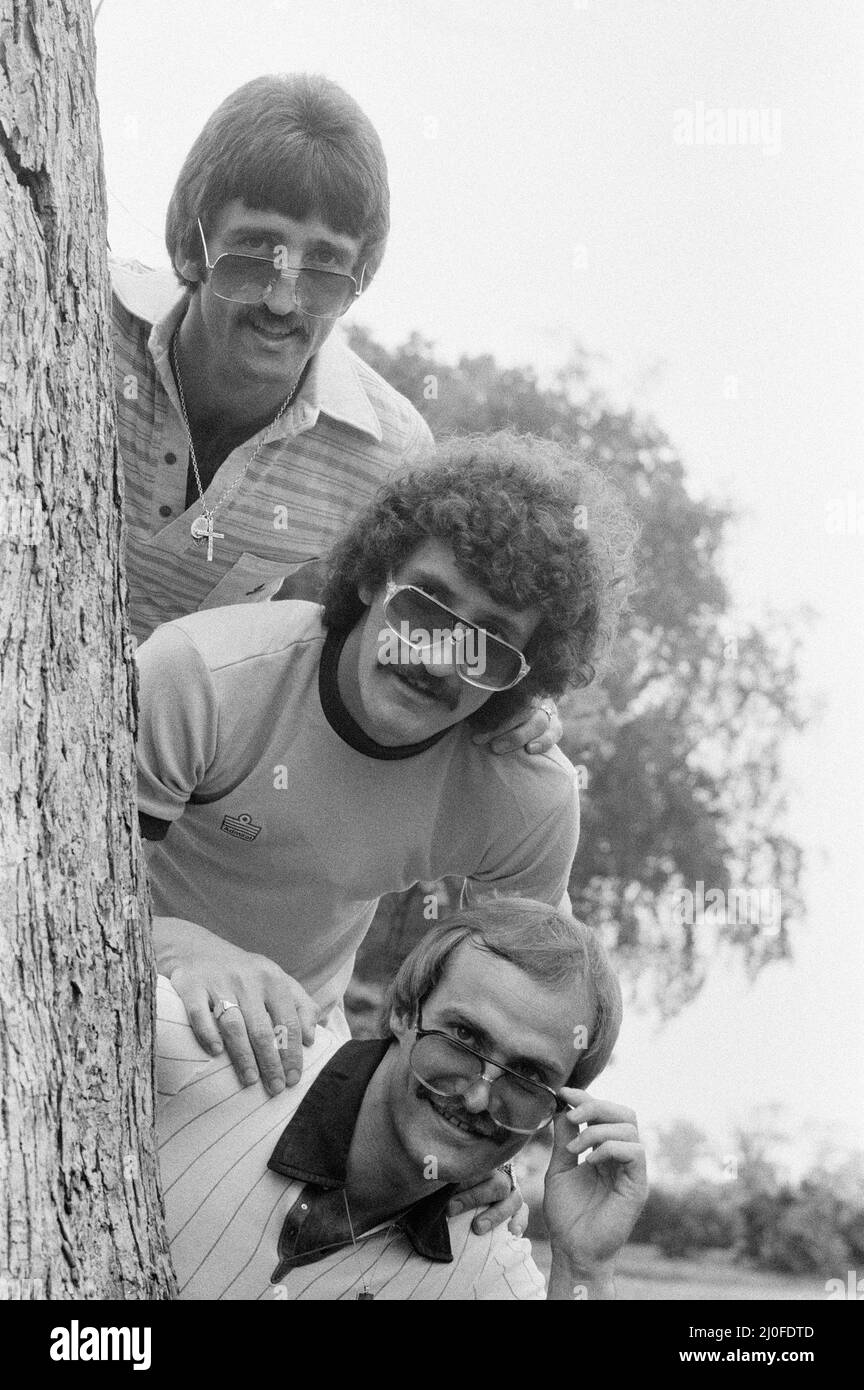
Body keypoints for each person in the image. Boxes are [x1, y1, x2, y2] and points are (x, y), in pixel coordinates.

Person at [137, 433, 636, 1104]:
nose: (433, 659)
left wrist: (485, 1153)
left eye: (486, 646)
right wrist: (183, 952)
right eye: (422, 605)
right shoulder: (201, 676)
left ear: (524, 676)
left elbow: (532, 1009)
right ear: (373, 575)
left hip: (293, 1050)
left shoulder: (525, 796)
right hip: (130, 982)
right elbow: (63, 895)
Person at [112, 71, 556, 757]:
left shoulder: (392, 452)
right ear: (187, 244)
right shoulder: (74, 320)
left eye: (324, 265)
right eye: (256, 250)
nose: (284, 301)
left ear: (360, 282)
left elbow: (449, 623)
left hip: (176, 762)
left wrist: (518, 710)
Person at [156, 897, 648, 1300]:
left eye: (527, 1075)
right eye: (464, 1038)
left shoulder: (483, 1263)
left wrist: (585, 1265)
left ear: (557, 1109)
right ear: (404, 1011)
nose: (478, 1096)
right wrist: (176, 943)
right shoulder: (215, 1050)